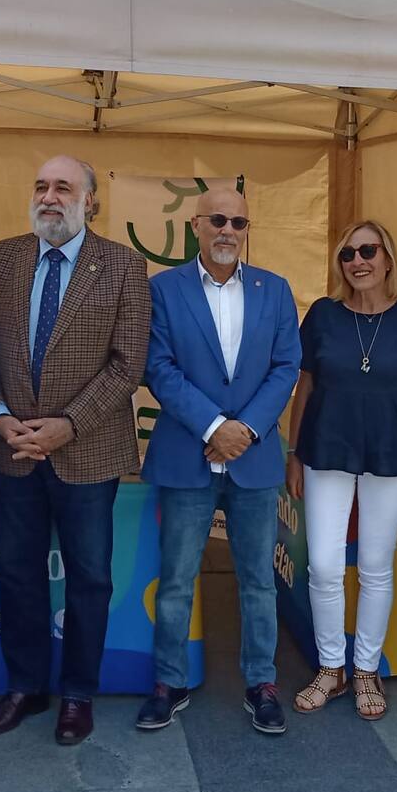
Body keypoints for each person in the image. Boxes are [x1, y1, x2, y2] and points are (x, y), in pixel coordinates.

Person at [0, 156, 150, 745]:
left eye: (64, 188)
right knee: (18, 572)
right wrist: (0, 418)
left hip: (87, 450)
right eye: (42, 185)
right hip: (16, 449)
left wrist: (67, 426)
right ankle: (25, 687)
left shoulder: (124, 265)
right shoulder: (5, 257)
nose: (50, 197)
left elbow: (129, 365)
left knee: (89, 578)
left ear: (90, 202)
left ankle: (78, 693)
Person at [136, 187, 301, 735]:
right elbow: (156, 367)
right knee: (178, 578)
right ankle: (168, 681)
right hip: (189, 453)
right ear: (197, 225)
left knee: (257, 580)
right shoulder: (163, 289)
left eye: (238, 221)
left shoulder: (274, 291)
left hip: (252, 458)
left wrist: (246, 430)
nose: (228, 230)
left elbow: (286, 367)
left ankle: (261, 682)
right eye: (218, 220)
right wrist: (213, 427)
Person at [286, 221, 397, 720]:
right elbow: (303, 386)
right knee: (325, 566)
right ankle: (332, 667)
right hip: (327, 448)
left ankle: (367, 668)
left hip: (395, 455)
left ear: (388, 258)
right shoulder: (323, 316)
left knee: (376, 565)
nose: (358, 261)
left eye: (368, 250)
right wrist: (293, 453)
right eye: (348, 254)